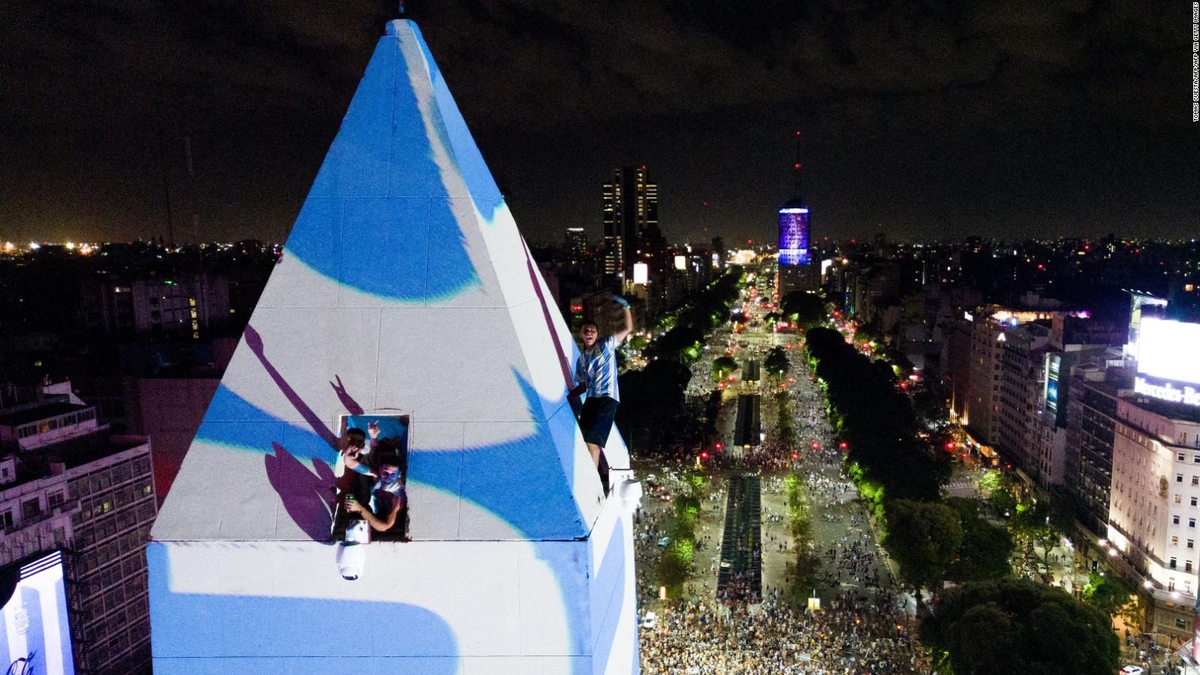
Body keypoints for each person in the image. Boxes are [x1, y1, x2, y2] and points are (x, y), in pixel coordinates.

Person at [573, 295, 633, 491]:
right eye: (586, 331)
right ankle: (590, 473)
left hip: (607, 398)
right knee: (584, 439)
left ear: (597, 334)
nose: (589, 332)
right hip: (591, 399)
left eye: (592, 330)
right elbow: (582, 384)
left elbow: (628, 329)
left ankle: (593, 482)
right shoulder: (582, 360)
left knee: (593, 441)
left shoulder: (606, 344)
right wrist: (567, 397)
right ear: (582, 335)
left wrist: (626, 307)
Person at [345, 451, 407, 539]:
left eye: (393, 475)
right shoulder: (379, 477)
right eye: (385, 473)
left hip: (388, 532)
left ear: (399, 475)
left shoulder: (397, 498)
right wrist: (348, 456)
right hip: (376, 513)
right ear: (380, 470)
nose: (388, 478)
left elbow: (384, 527)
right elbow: (350, 463)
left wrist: (359, 508)